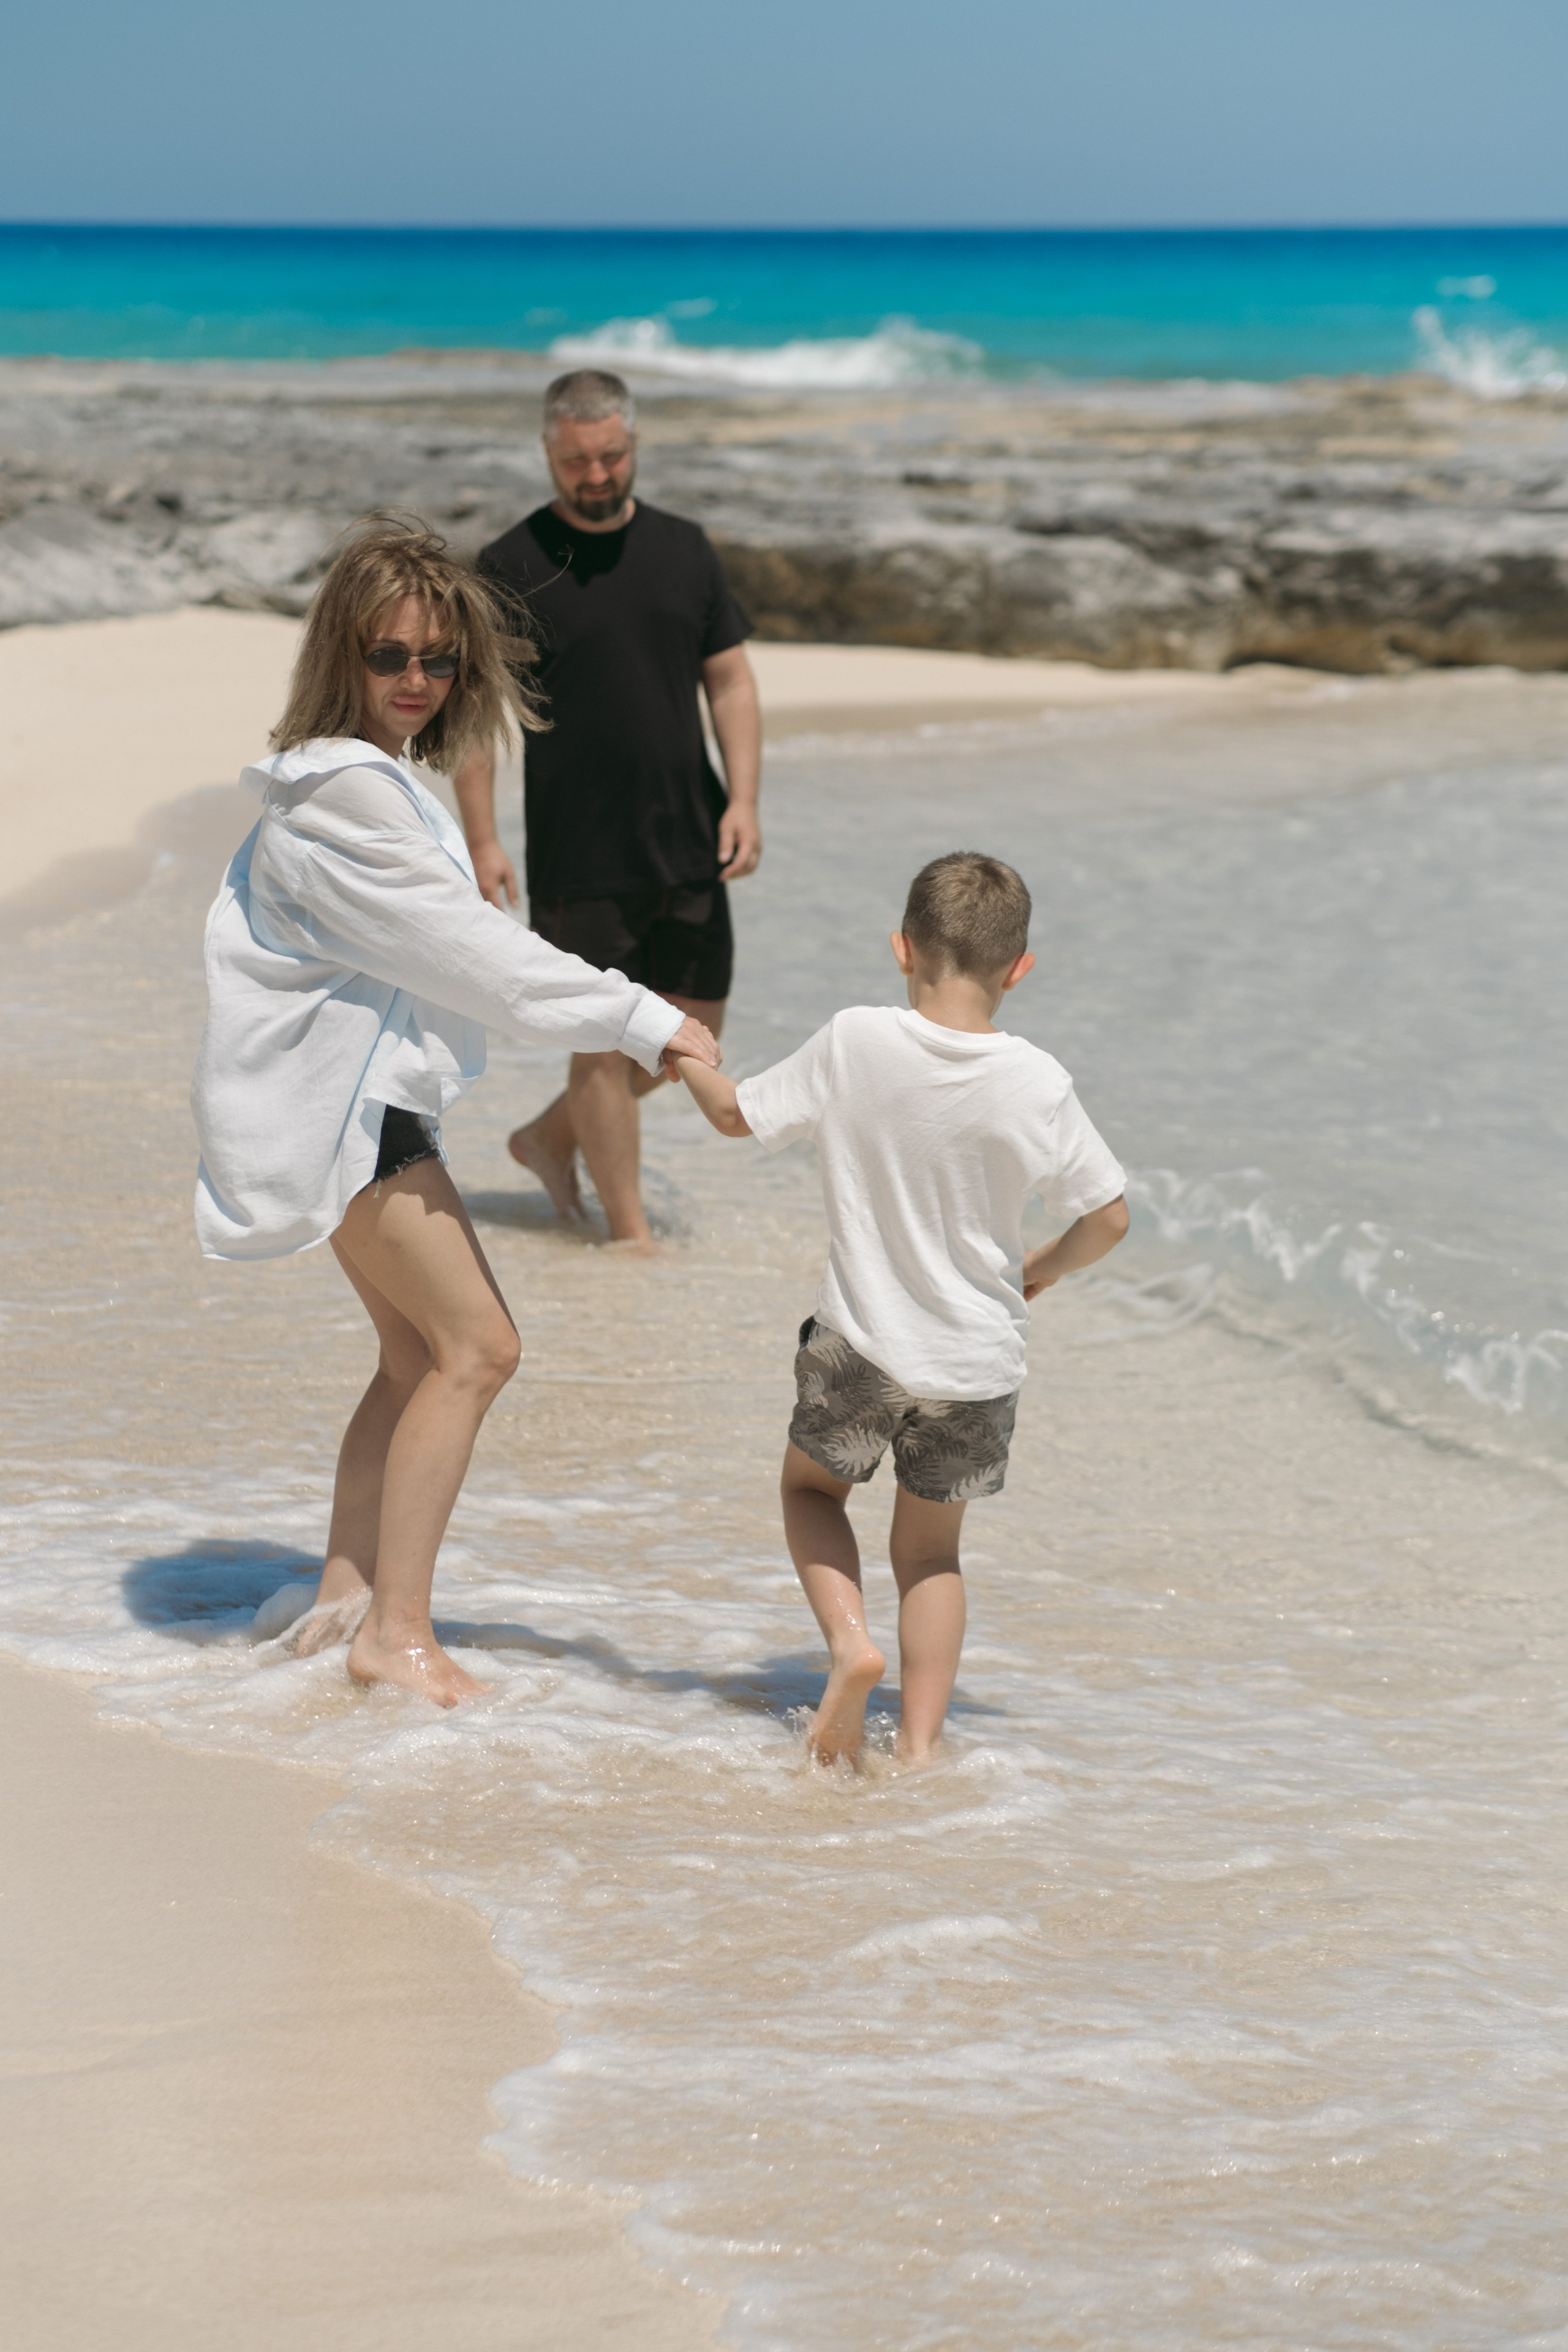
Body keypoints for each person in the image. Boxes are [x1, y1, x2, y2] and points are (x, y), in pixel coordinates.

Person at [191, 518, 719, 1707]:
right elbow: (483, 962)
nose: (417, 682)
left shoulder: (358, 783)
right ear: (344, 656)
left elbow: (447, 950)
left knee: (410, 1354)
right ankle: (398, 1632)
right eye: (391, 658)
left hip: (344, 1104)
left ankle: (342, 1594)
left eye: (437, 660)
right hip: (342, 1114)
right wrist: (655, 1023)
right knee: (479, 1349)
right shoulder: (342, 798)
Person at [674, 852, 1129, 1766]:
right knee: (930, 1557)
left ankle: (851, 1645)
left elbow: (735, 1117)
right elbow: (1110, 1217)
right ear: (1020, 968)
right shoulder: (1038, 1081)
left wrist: (682, 1050)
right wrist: (1038, 1269)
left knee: (811, 1492)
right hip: (975, 1368)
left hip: (863, 1346)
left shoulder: (856, 1040)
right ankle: (921, 1751)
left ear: (901, 949)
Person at [452, 366, 762, 1249]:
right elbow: (476, 714)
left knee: (693, 1026)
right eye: (578, 460)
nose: (597, 476)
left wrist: (744, 797)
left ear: (633, 445)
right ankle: (630, 1240)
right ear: (550, 454)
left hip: (690, 832)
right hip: (577, 846)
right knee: (600, 1041)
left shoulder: (685, 548)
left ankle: (550, 1139)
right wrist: (482, 838)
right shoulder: (510, 566)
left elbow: (731, 679)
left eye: (612, 456)